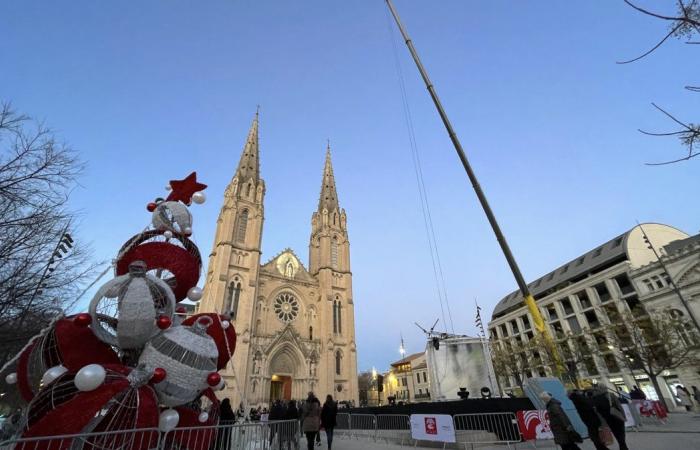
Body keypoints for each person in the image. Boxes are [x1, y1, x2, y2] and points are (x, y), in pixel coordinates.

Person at [592, 384, 628, 450]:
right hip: (617, 416)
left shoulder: (595, 398)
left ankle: (622, 445)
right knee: (621, 432)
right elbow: (619, 406)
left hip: (608, 419)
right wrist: (623, 416)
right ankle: (623, 446)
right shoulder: (610, 395)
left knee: (616, 433)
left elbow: (597, 411)